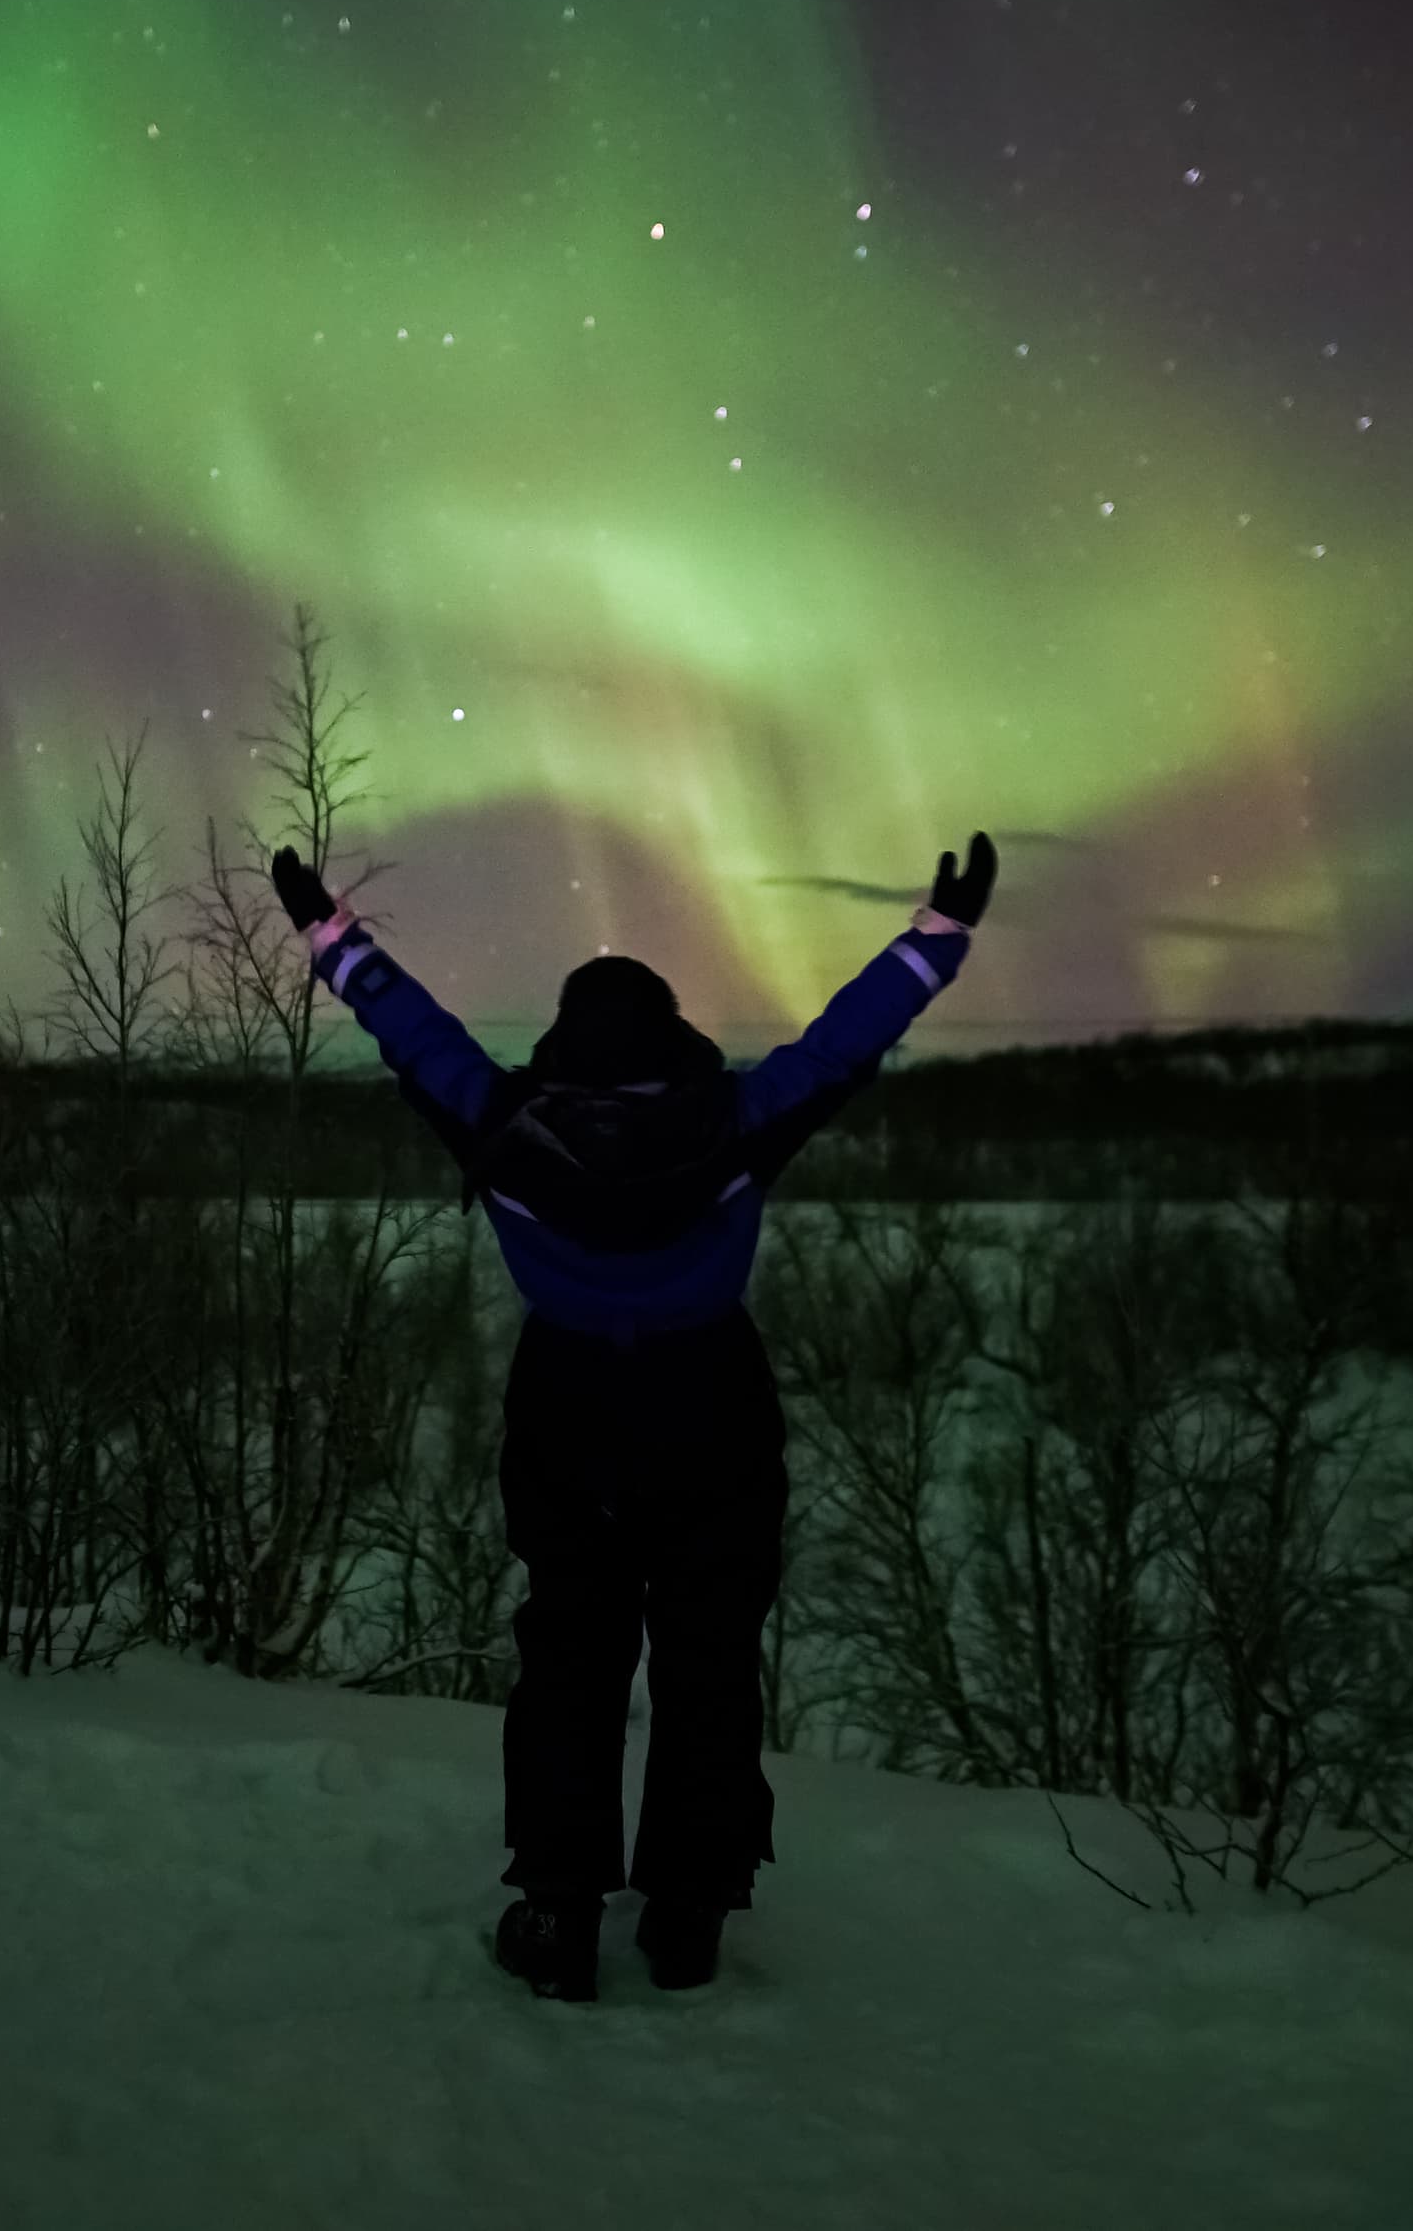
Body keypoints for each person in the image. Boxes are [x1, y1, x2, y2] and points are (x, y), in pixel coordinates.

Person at [269, 830, 997, 2001]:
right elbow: (844, 1045)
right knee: (710, 1659)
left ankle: (558, 1913)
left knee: (570, 1655)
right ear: (673, 1035)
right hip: (713, 1406)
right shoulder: (736, 1120)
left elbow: (412, 1030)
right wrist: (938, 937)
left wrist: (328, 933)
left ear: (563, 1039)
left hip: (569, 1410)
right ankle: (688, 1913)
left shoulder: (503, 1120)